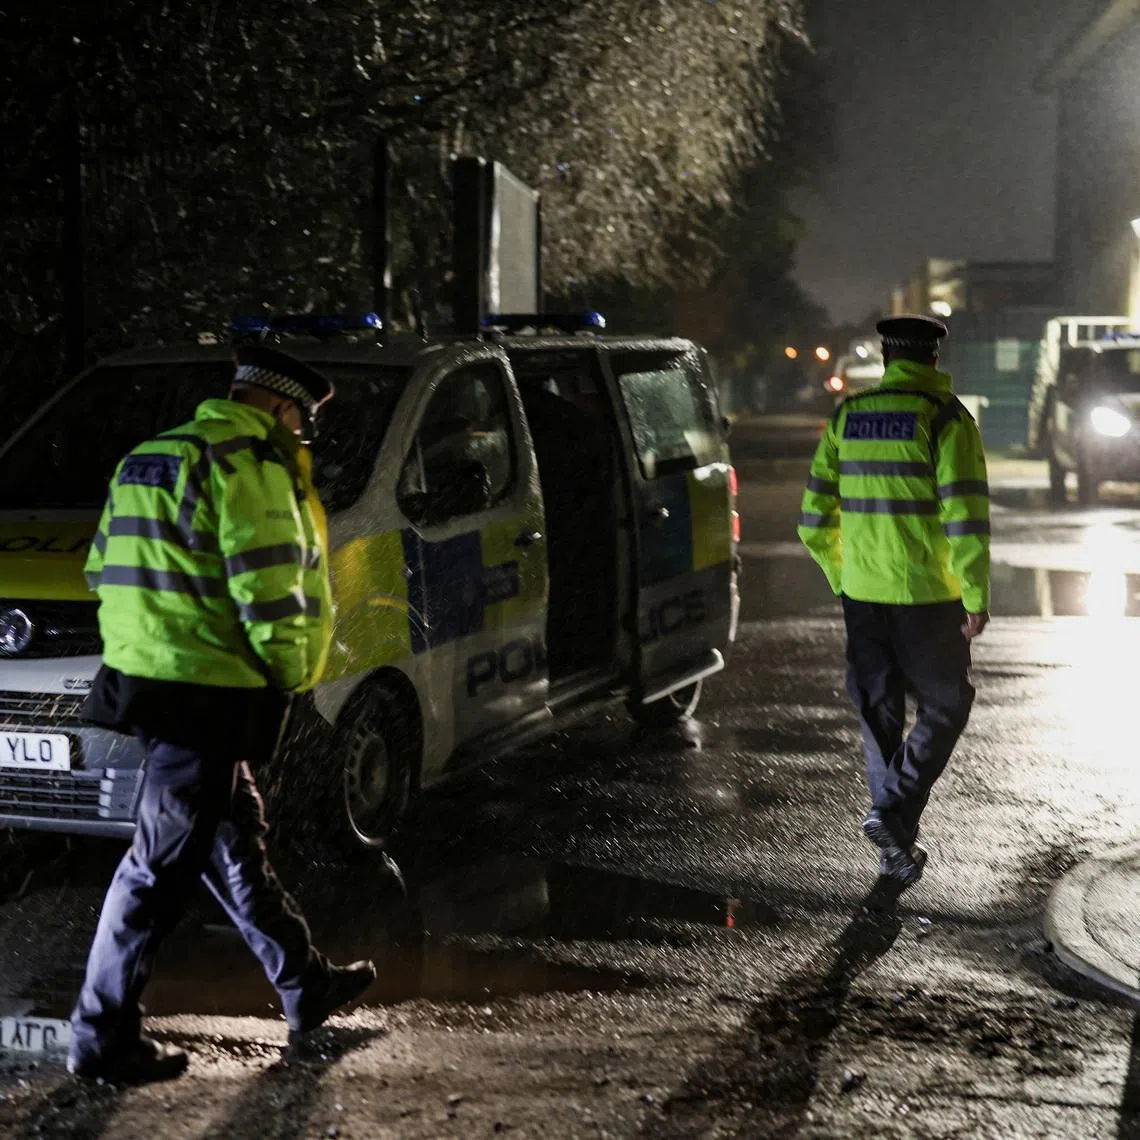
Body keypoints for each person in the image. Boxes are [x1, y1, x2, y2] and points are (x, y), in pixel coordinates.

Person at [68, 344, 376, 1084]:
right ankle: (100, 1036)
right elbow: (273, 592)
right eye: (301, 418)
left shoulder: (153, 454)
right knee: (157, 870)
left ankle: (306, 982)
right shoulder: (252, 467)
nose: (302, 432)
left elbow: (100, 563)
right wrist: (294, 676)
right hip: (209, 689)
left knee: (235, 836)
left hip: (147, 679)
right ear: (275, 404)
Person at [797, 315, 990, 887]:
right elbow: (966, 518)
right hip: (928, 599)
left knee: (879, 715)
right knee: (947, 706)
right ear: (934, 360)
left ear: (886, 359)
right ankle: (891, 812)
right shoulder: (947, 419)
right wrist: (976, 596)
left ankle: (894, 850)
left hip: (862, 596)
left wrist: (843, 575)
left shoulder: (847, 417)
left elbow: (812, 520)